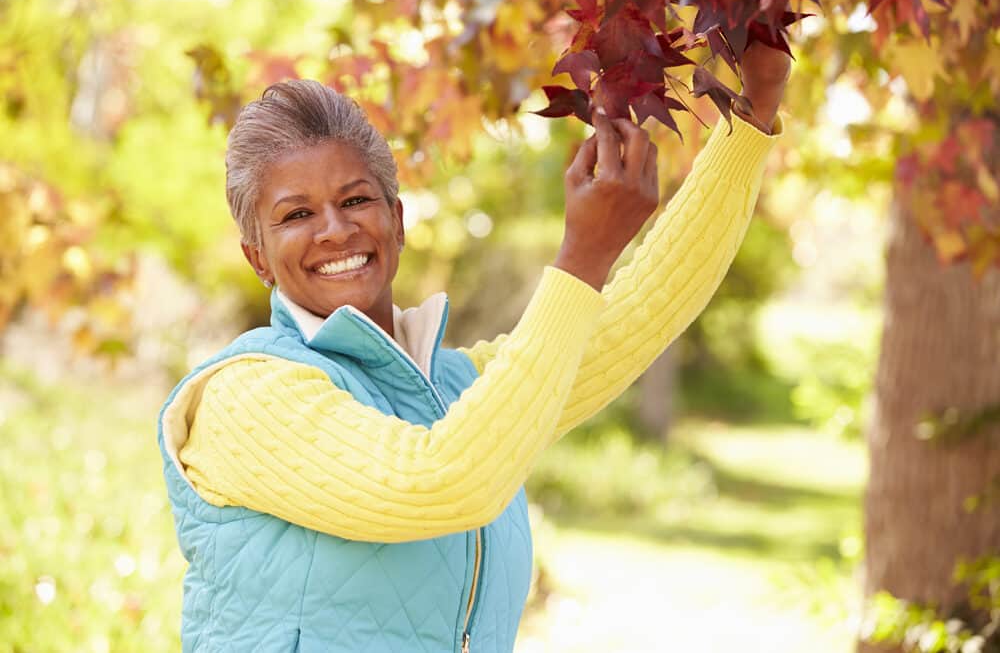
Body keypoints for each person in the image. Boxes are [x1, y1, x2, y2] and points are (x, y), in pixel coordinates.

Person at [158, 42, 789, 653]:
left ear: (397, 222)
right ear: (257, 257)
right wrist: (583, 256)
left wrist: (751, 114)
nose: (336, 228)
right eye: (296, 215)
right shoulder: (246, 397)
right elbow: (441, 482)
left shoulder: (462, 390)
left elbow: (644, 314)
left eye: (356, 200)